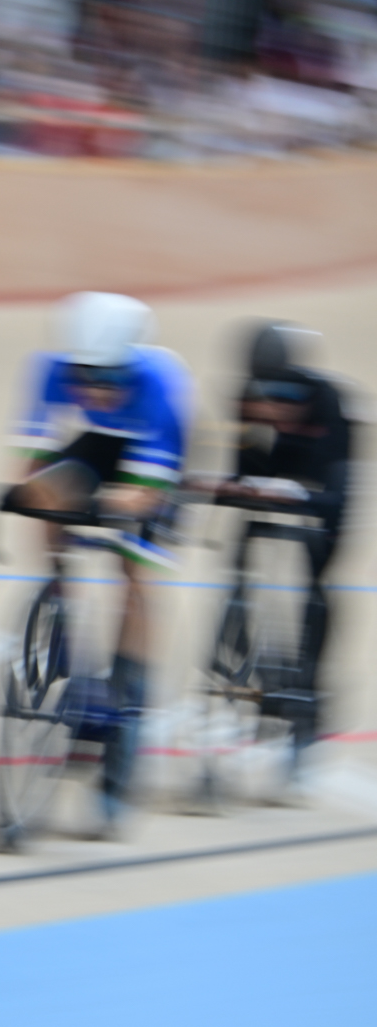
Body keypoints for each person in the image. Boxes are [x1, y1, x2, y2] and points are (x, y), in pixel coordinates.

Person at [6, 291, 195, 831]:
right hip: (98, 443)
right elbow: (32, 458)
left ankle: (129, 702)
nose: (92, 388)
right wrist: (30, 494)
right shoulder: (49, 368)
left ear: (130, 363)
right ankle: (62, 609)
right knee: (45, 497)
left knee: (133, 569)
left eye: (107, 379)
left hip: (150, 455)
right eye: (82, 376)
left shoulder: (161, 383)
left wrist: (105, 506)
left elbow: (145, 494)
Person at [205, 322, 358, 765]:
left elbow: (337, 487)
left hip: (323, 473)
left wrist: (311, 502)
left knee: (319, 575)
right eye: (258, 387)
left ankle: (310, 683)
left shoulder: (326, 398)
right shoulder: (245, 397)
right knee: (240, 551)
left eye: (280, 390)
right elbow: (242, 465)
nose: (267, 398)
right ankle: (237, 650)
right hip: (278, 466)